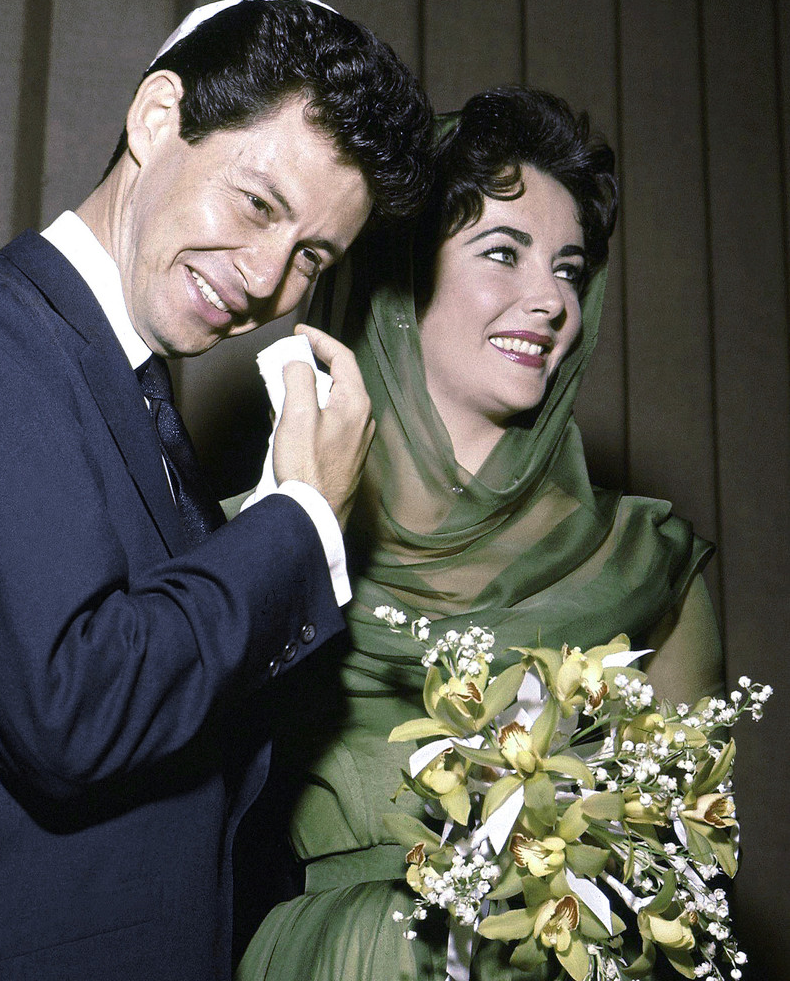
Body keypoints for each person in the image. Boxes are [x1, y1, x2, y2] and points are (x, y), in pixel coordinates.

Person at [0, 0, 434, 981]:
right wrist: (301, 516)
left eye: (311, 257)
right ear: (155, 120)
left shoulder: (152, 425)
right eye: (257, 204)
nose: (267, 279)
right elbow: (76, 709)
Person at [233, 86, 724, 981]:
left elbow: (693, 876)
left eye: (570, 269)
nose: (551, 300)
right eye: (504, 252)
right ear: (400, 278)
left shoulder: (645, 564)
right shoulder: (261, 531)